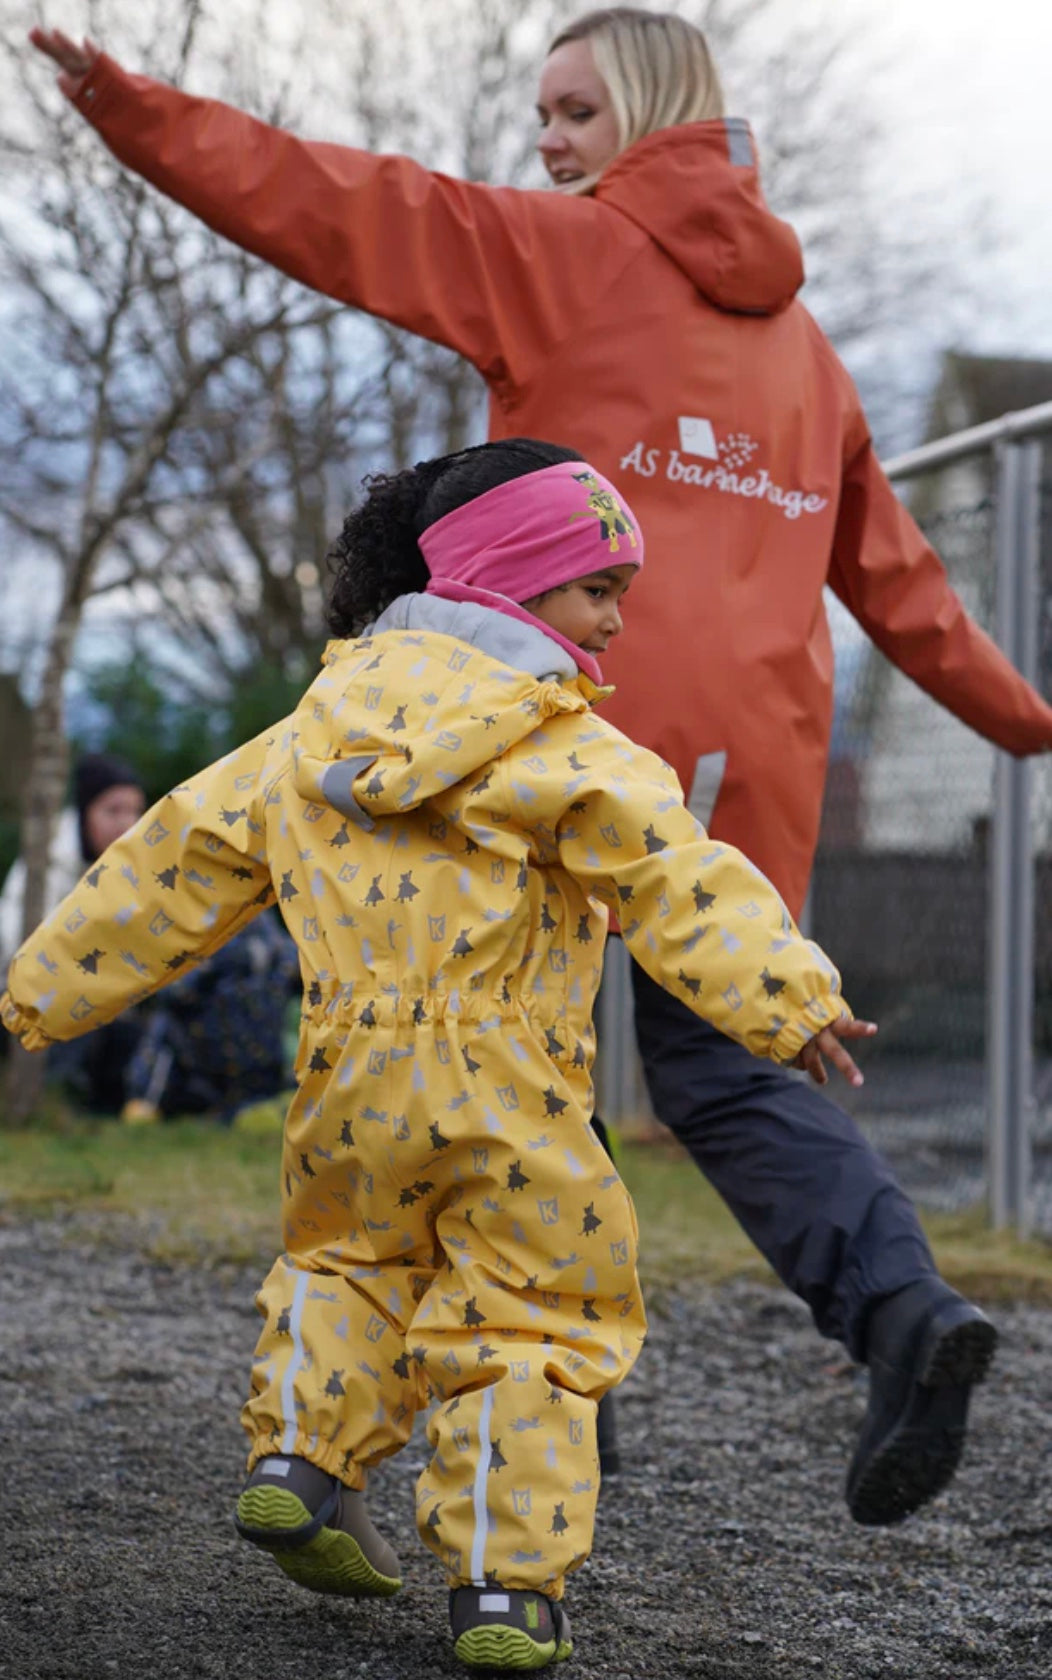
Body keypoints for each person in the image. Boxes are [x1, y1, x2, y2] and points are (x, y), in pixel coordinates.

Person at [24, 9, 1032, 1525]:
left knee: (497, 1050)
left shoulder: (562, 255)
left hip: (553, 721)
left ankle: (537, 1400)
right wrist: (1031, 722)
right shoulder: (810, 354)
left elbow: (335, 202)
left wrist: (128, 107)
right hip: (749, 749)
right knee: (721, 1064)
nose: (545, 144)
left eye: (570, 112)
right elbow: (902, 587)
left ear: (641, 112)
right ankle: (900, 1314)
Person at [2, 438, 875, 1672]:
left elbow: (172, 860)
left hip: (350, 1076)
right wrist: (791, 1001)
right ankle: (504, 1591)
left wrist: (38, 987)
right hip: (512, 1090)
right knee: (531, 1321)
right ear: (513, 585)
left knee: (347, 1260)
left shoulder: (309, 732)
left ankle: (300, 1458)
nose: (618, 619)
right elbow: (677, 877)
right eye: (597, 589)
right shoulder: (561, 749)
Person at [0, 750, 147, 1110]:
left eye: (134, 811)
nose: (126, 823)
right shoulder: (49, 864)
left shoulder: (136, 863)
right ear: (84, 813)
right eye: (113, 811)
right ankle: (52, 1099)